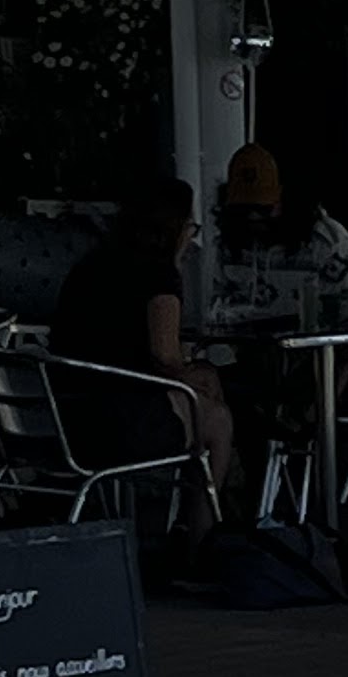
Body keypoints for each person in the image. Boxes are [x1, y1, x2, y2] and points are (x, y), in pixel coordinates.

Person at [53, 176, 231, 514]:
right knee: (218, 419)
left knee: (203, 387)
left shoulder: (88, 267)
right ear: (175, 229)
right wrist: (194, 375)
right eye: (190, 228)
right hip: (118, 424)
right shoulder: (158, 276)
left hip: (65, 419)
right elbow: (164, 357)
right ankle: (204, 528)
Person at [205, 142, 348, 336]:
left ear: (288, 199)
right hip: (246, 349)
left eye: (263, 208)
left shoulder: (328, 242)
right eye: (243, 209)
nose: (253, 216)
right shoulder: (229, 243)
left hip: (311, 349)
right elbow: (216, 309)